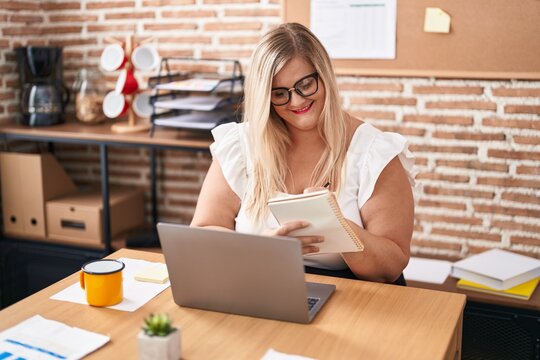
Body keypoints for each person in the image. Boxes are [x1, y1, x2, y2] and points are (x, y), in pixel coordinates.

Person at [191, 23, 417, 285]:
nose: (296, 101)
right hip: (263, 284)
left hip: (352, 295)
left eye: (305, 84)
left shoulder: (373, 152)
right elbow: (203, 233)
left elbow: (391, 266)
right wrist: (257, 247)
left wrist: (338, 227)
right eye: (279, 93)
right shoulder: (241, 146)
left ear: (324, 75)